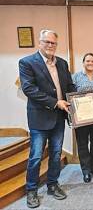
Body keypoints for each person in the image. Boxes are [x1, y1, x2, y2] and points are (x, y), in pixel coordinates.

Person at [19, 29, 76, 208]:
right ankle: (31, 190)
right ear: (40, 42)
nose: (50, 46)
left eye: (53, 43)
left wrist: (76, 101)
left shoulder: (62, 63)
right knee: (36, 156)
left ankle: (52, 184)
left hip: (59, 117)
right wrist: (55, 102)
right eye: (47, 42)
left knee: (56, 153)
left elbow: (69, 85)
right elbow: (29, 89)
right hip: (39, 118)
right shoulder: (27, 62)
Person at [72, 53, 93, 183]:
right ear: (83, 62)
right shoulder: (75, 77)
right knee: (82, 143)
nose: (90, 63)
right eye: (87, 61)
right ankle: (86, 171)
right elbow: (70, 95)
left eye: (92, 61)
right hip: (81, 116)